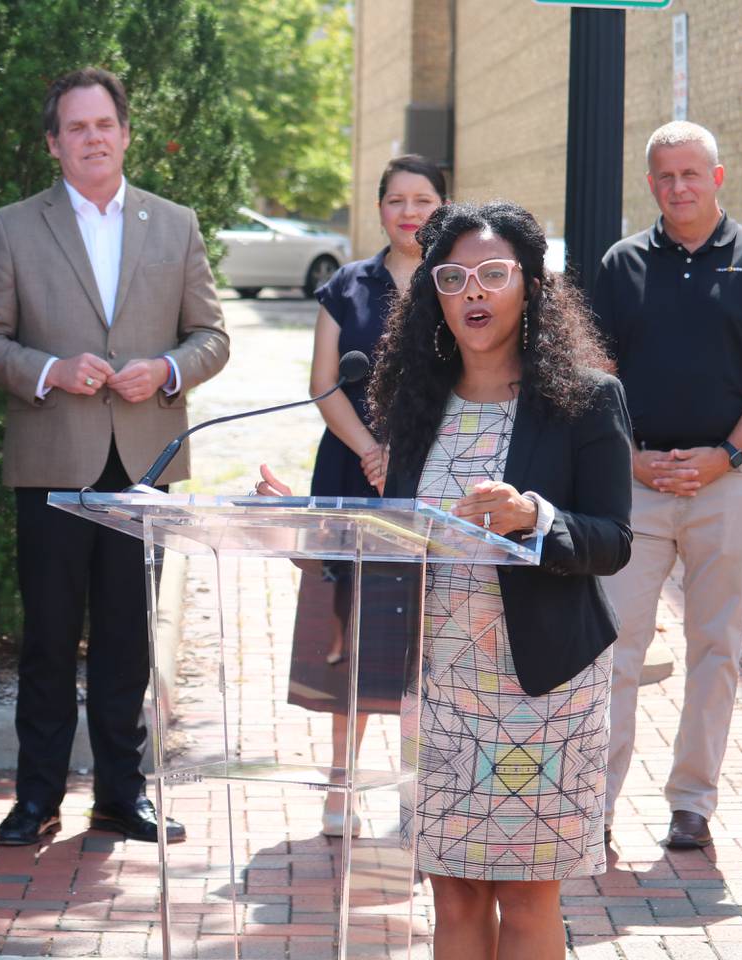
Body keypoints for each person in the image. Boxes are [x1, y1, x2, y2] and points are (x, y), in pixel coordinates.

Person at [0, 67, 229, 846]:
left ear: (125, 133)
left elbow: (212, 336)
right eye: (76, 128)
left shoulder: (174, 224)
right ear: (54, 144)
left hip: (144, 462)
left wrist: (168, 369)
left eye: (103, 125)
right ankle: (37, 799)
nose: (92, 139)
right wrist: (48, 371)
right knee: (48, 639)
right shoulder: (15, 227)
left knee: (128, 640)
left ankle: (122, 795)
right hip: (52, 458)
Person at [364, 201, 631, 958]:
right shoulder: (415, 407)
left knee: (525, 897)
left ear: (531, 287)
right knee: (452, 898)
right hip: (443, 683)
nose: (472, 292)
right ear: (435, 297)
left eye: (493, 274)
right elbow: (395, 538)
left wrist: (535, 518)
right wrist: (301, 523)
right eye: (453, 278)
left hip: (544, 688)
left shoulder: (585, 400)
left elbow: (614, 540)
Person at [592, 121, 742, 850]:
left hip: (729, 482)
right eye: (665, 176)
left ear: (717, 178)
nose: (679, 187)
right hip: (641, 484)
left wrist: (726, 455)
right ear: (650, 183)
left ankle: (693, 801)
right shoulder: (621, 264)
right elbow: (594, 378)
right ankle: (592, 804)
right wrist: (630, 460)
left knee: (715, 645)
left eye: (692, 174)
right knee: (615, 645)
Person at [279, 155, 446, 838]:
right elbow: (326, 385)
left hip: (434, 477)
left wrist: (406, 454)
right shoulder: (347, 285)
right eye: (396, 201)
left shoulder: (457, 283)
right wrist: (371, 450)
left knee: (422, 640)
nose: (409, 213)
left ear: (444, 206)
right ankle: (341, 788)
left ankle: (415, 793)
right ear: (379, 209)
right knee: (353, 632)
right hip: (353, 472)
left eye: (424, 200)